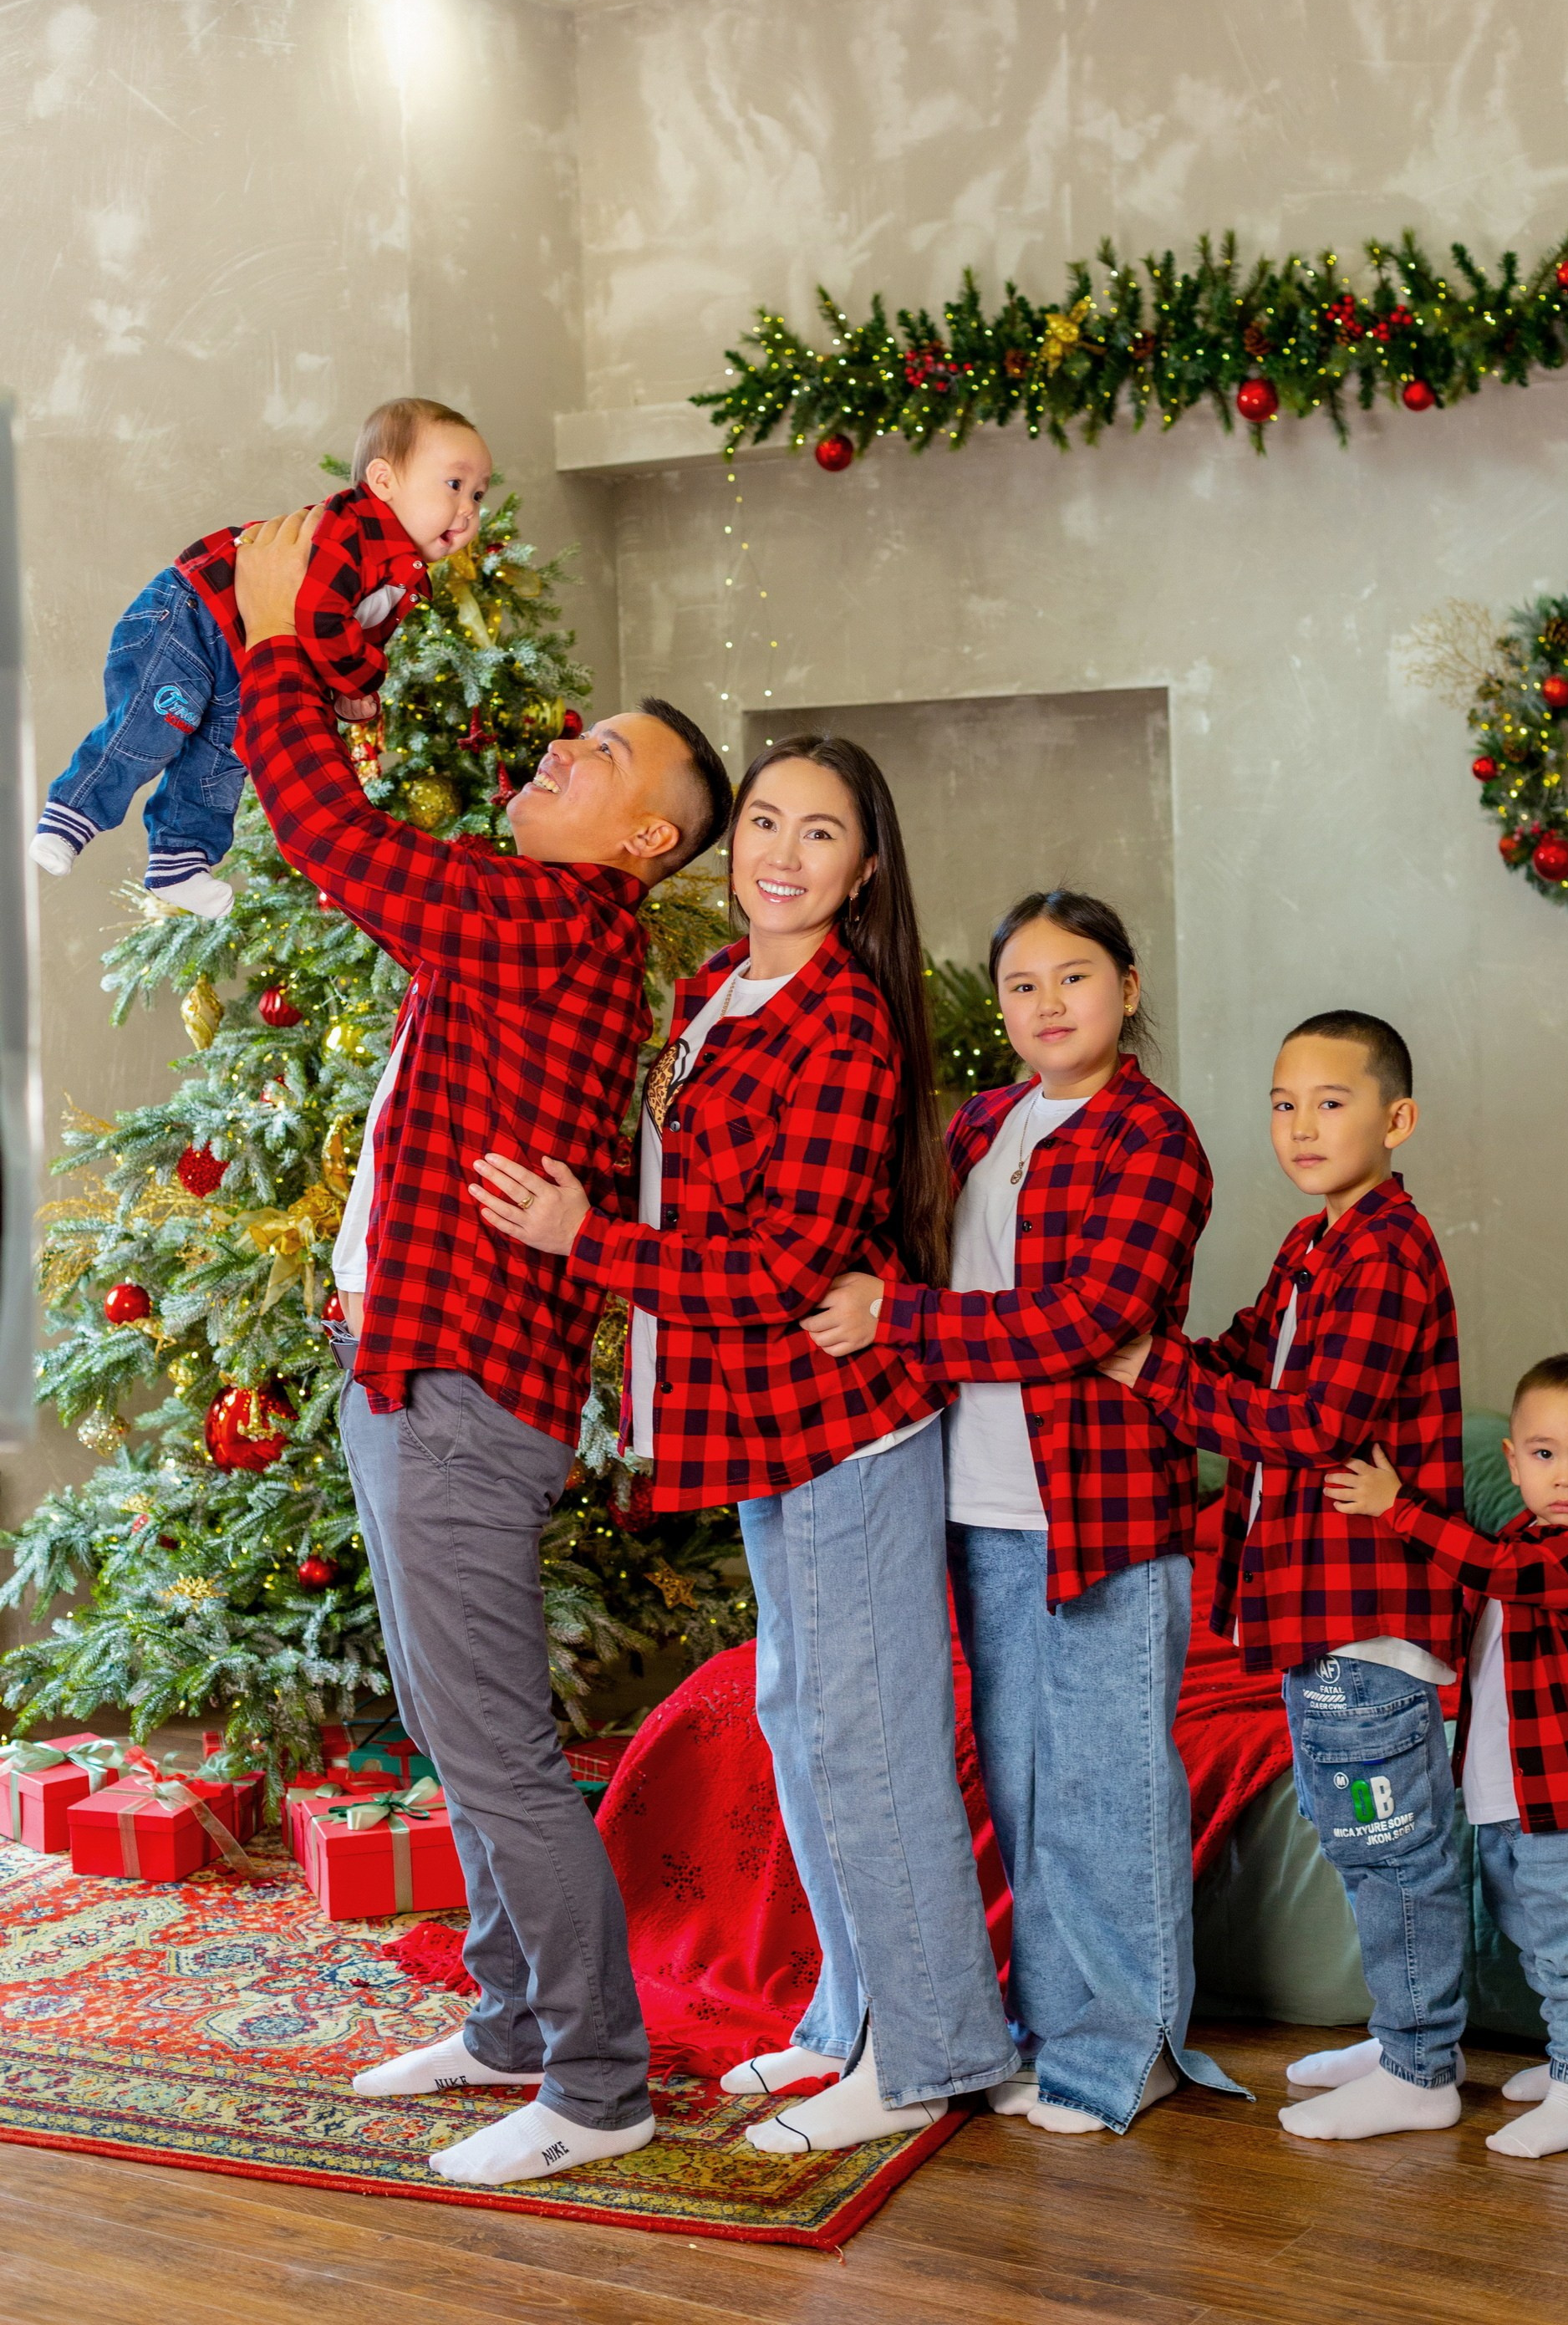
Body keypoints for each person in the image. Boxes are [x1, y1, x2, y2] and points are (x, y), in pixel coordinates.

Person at [232, 506, 730, 2186]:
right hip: (412, 1373)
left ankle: (596, 2087)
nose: (555, 751)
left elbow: (334, 842)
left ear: (646, 840)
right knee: (471, 1741)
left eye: (595, 752)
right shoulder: (539, 920)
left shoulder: (561, 920)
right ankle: (516, 2018)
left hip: (457, 1400)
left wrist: (278, 643)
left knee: (503, 1758)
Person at [470, 734, 1018, 2154]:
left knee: (869, 1743)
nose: (780, 853)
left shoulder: (843, 1024)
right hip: (754, 1435)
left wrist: (587, 1243)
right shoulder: (715, 987)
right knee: (799, 1722)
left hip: (844, 1435)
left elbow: (781, 1264)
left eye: (820, 833)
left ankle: (934, 2051)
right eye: (764, 821)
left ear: (866, 868)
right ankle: (851, 2020)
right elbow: (681, 1175)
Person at [806, 890, 1250, 2137]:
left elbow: (1090, 1318)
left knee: (1109, 1791)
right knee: (1021, 1785)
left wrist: (901, 1319)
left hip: (1101, 1512)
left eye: (1075, 978)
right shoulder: (982, 1125)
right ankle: (1056, 2036)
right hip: (975, 1505)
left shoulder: (1153, 1139)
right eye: (1022, 985)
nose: (1049, 1005)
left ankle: (1134, 2048)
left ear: (1128, 986)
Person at [1103, 1010, 1470, 2144]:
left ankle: (1424, 2067)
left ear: (1396, 1119)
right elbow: (1245, 1354)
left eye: (1332, 1102)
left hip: (1367, 1611)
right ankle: (1399, 2026)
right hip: (1311, 1609)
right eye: (1282, 1103)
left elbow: (1313, 1424)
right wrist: (1149, 1337)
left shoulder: (1389, 1255)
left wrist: (1156, 1376)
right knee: (1349, 1822)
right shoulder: (1315, 1245)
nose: (1302, 1126)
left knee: (1390, 1834)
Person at [1326, 1352, 1568, 2159]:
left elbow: (1496, 1571)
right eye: (1544, 1455)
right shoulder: (1517, 1530)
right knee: (1530, 1930)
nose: (1565, 1477)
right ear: (1513, 1460)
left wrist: (1400, 1509)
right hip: (1509, 1792)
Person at [34, 398, 488, 918]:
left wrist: (347, 689)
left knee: (226, 757)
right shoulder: (354, 529)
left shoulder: (402, 576)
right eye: (454, 485)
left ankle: (179, 862)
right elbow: (319, 616)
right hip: (193, 614)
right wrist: (361, 682)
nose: (469, 508)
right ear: (384, 482)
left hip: (244, 649)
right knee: (156, 723)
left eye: (478, 493)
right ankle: (72, 812)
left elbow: (343, 640)